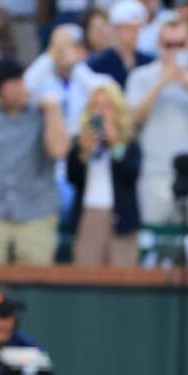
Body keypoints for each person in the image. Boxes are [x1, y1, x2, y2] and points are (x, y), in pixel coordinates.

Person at [0, 59, 70, 265]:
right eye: (11, 83)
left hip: (36, 210)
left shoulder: (41, 111)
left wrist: (53, 111)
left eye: (19, 81)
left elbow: (59, 150)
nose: (18, 88)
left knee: (34, 278)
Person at [126, 19, 188, 224]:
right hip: (154, 173)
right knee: (153, 236)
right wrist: (161, 82)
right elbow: (132, 120)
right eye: (169, 45)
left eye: (180, 45)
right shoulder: (140, 77)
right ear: (159, 45)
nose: (174, 51)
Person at [68, 82, 141, 267]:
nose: (101, 112)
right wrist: (84, 152)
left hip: (122, 218)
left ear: (117, 111)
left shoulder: (129, 143)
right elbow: (72, 177)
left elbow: (131, 173)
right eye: (96, 106)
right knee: (86, 272)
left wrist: (116, 145)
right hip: (90, 214)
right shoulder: (80, 142)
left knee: (123, 273)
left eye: (107, 106)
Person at [88, 0, 154, 87]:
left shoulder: (148, 61)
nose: (134, 34)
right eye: (128, 29)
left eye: (137, 29)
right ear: (115, 30)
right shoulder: (99, 63)